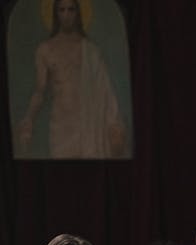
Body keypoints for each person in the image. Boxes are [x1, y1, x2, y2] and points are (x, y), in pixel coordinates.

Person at [16, 0, 129, 159]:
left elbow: (105, 91)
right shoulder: (45, 49)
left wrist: (114, 125)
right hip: (61, 126)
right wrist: (29, 118)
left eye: (71, 10)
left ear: (78, 14)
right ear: (56, 14)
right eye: (62, 10)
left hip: (88, 124)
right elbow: (40, 91)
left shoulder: (91, 50)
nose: (67, 15)